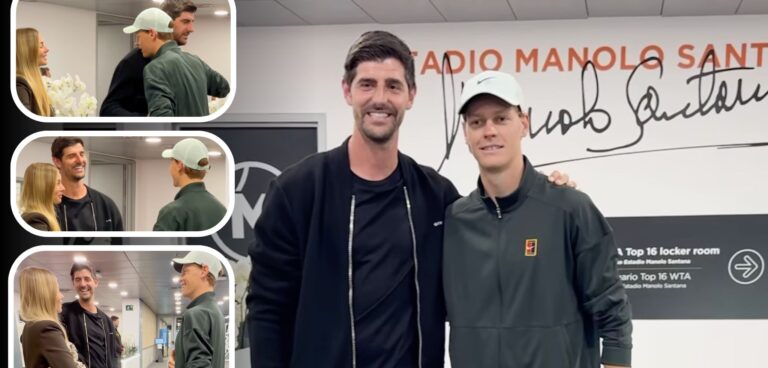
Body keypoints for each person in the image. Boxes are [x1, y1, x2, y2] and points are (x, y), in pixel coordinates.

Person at [246, 30, 573, 368]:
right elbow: (268, 309)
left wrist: (546, 191)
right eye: (367, 84)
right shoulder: (297, 192)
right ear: (347, 91)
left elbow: (497, 227)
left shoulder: (436, 195)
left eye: (393, 86)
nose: (380, 98)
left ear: (410, 95)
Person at [443, 70, 633, 368]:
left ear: (524, 124)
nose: (489, 130)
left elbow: (611, 307)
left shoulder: (570, 208)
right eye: (477, 122)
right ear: (466, 134)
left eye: (501, 118)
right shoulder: (455, 220)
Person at [122, 7, 229, 116]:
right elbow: (224, 88)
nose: (137, 43)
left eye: (138, 37)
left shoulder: (155, 68)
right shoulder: (196, 61)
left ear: (152, 34)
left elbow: (163, 121)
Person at [100, 0, 198, 116]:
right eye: (185, 22)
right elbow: (108, 109)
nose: (191, 29)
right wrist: (148, 121)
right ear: (166, 22)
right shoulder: (132, 62)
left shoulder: (183, 61)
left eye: (192, 22)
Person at [51, 137, 124, 231]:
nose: (80, 160)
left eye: (82, 154)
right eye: (72, 156)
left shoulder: (106, 205)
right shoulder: (48, 207)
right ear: (57, 161)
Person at [153, 138, 226, 231]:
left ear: (180, 165)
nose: (170, 169)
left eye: (171, 163)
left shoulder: (172, 212)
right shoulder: (221, 209)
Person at [19, 267, 86, 368]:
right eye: (57, 290)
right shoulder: (46, 328)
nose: (62, 296)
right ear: (46, 295)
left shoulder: (31, 326)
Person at [169, 251, 226, 368]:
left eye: (185, 272)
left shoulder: (195, 314)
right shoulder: (216, 312)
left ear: (204, 271)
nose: (180, 279)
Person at [60, 262, 118, 368]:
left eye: (87, 279)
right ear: (73, 283)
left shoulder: (106, 320)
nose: (82, 284)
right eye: (78, 279)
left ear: (95, 282)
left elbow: (112, 356)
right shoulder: (65, 312)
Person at [16, 27, 53, 116]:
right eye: (41, 46)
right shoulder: (19, 86)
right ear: (27, 50)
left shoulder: (35, 83)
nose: (47, 49)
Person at [19, 162, 65, 231]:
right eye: (58, 183)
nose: (63, 188)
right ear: (43, 187)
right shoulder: (36, 221)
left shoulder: (45, 218)